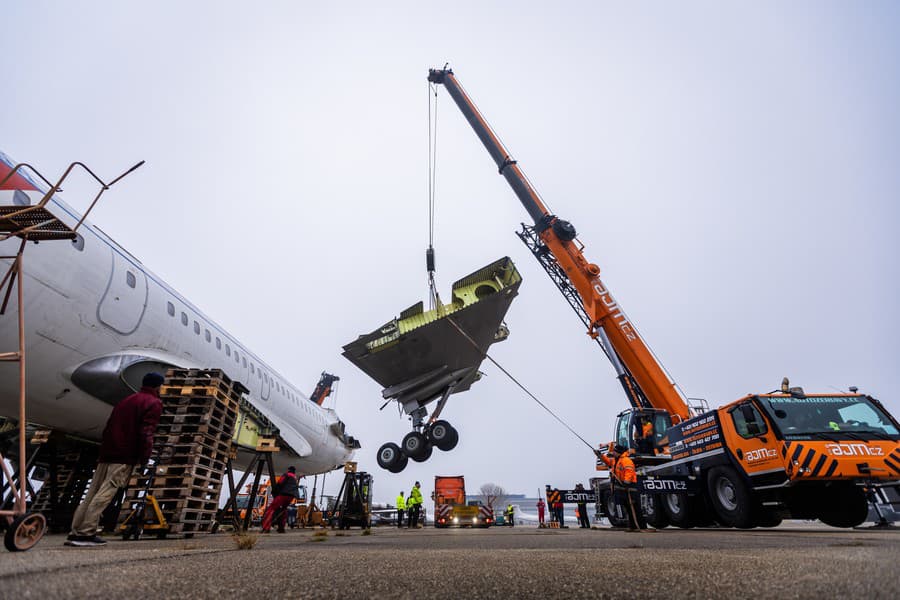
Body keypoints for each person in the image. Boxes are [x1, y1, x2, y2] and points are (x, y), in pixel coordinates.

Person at [66, 372, 164, 547]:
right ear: (158, 386)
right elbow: (146, 433)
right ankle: (86, 533)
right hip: (124, 456)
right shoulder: (153, 403)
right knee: (106, 493)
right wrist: (144, 458)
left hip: (107, 452)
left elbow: (109, 426)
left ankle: (75, 531)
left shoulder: (126, 400)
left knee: (92, 492)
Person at [599, 443, 645, 530]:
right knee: (628, 507)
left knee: (634, 507)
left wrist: (626, 481)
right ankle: (632, 526)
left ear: (619, 452)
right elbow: (607, 461)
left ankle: (641, 526)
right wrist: (600, 455)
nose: (613, 453)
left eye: (615, 452)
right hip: (622, 486)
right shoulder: (615, 460)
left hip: (630, 487)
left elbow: (629, 471)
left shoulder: (626, 460)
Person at [261, 466, 300, 533]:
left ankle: (266, 528)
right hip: (290, 497)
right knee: (283, 511)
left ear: (288, 470)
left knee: (270, 509)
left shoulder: (286, 475)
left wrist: (274, 492)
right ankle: (281, 528)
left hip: (283, 495)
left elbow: (280, 483)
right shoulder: (295, 477)